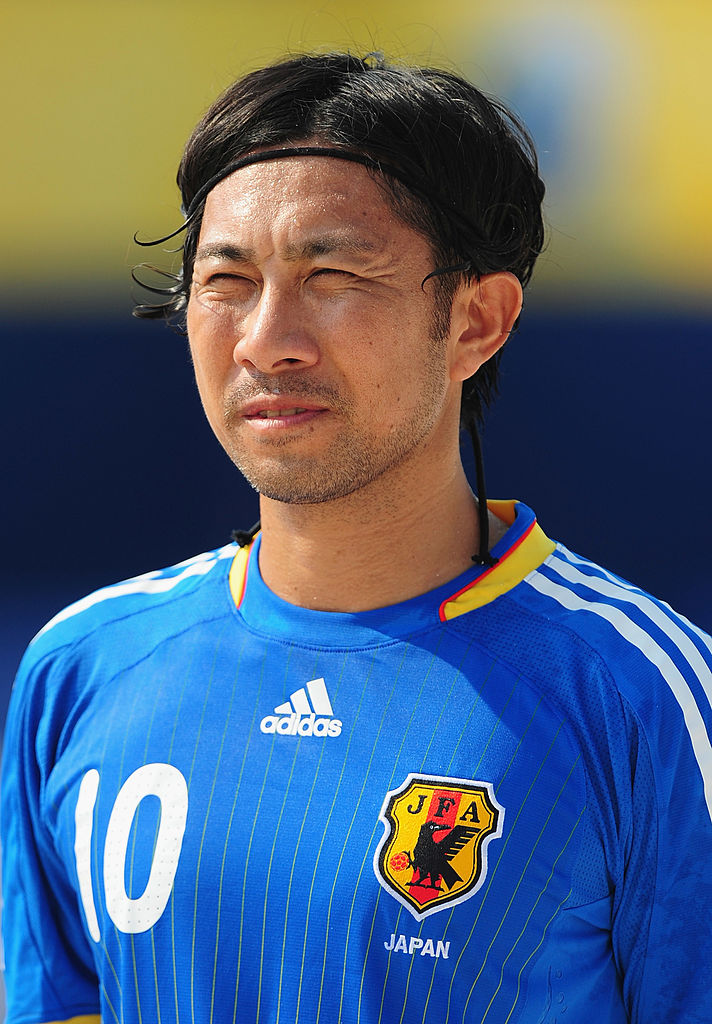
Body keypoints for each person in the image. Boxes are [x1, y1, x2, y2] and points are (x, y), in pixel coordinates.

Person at [2, 52, 711, 1024]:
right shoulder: (82, 667)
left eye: (332, 274)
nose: (266, 339)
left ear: (477, 321)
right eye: (226, 279)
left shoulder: (639, 694)